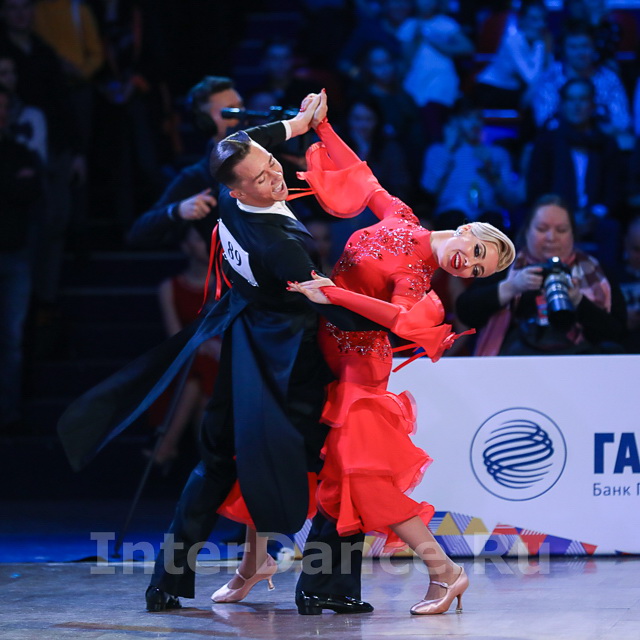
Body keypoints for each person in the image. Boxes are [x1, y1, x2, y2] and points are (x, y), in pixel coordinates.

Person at [57, 92, 376, 615]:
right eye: (262, 177)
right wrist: (398, 325)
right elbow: (331, 304)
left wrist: (298, 124)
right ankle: (324, 585)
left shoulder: (230, 195)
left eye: (272, 165)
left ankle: (168, 580)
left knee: (216, 461)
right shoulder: (281, 246)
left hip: (244, 344)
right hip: (286, 364)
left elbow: (254, 141)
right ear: (237, 189)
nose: (275, 176)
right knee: (341, 463)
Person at [213, 93, 516, 615]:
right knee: (278, 451)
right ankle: (254, 564)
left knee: (364, 479)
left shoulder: (417, 276)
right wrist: (321, 128)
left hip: (358, 368)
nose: (467, 266)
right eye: (476, 253)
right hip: (321, 349)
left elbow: (398, 320)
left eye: (477, 272)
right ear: (468, 230)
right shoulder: (403, 216)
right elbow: (363, 176)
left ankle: (445, 572)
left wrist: (334, 293)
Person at [456, 194, 627, 356]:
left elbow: (617, 333)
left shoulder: (595, 271)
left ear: (573, 234)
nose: (551, 237)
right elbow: (465, 312)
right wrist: (512, 287)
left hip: (579, 363)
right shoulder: (504, 267)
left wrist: (579, 301)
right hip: (516, 364)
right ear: (527, 231)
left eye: (561, 230)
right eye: (542, 229)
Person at [126, 75, 243, 250]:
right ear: (205, 121)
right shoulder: (197, 177)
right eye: (230, 111)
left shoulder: (272, 157)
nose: (241, 116)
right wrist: (178, 210)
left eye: (241, 107)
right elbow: (138, 233)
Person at [525, 77, 624, 270]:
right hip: (555, 215)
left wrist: (594, 215)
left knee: (611, 228)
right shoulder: (546, 143)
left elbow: (613, 189)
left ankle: (607, 285)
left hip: (594, 217)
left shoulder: (606, 144)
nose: (577, 106)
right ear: (562, 104)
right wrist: (565, 216)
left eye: (583, 99)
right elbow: (537, 188)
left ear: (592, 105)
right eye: (571, 99)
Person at [0, 83, 43, 433]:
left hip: (14, 254)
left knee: (11, 339)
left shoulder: (21, 153)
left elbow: (31, 191)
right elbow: (16, 188)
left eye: (4, 107)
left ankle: (8, 413)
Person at [473, 0, 553, 110]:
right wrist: (540, 46)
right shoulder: (512, 41)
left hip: (512, 90)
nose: (540, 25)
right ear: (522, 20)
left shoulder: (536, 44)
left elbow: (543, 76)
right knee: (536, 96)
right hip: (491, 89)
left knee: (544, 94)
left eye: (542, 19)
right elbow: (531, 78)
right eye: (534, 19)